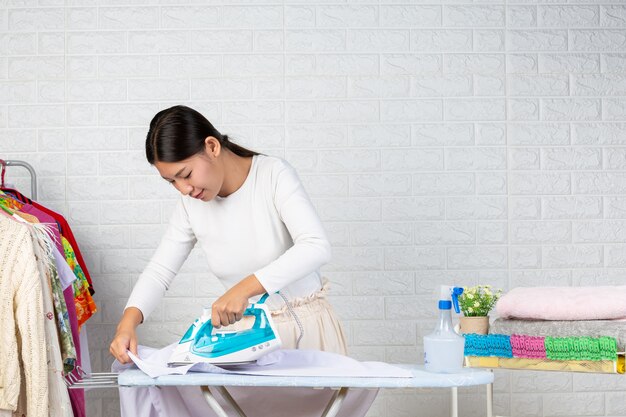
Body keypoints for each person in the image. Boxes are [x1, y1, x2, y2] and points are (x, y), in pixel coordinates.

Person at [109, 104, 348, 365]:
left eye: (185, 175)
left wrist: (243, 289)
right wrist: (127, 324)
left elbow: (315, 246)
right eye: (172, 182)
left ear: (212, 146)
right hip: (248, 340)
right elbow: (160, 271)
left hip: (308, 333)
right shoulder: (191, 205)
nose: (183, 189)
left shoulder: (273, 175)